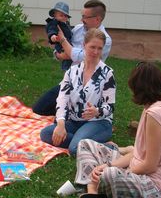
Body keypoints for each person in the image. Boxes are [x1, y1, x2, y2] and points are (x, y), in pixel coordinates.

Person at [75, 62, 161, 198]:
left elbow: (150, 165)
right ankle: (94, 187)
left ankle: (94, 185)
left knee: (110, 174)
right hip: (138, 168)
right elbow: (138, 154)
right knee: (85, 143)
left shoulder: (156, 114)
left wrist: (121, 171)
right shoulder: (150, 109)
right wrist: (107, 165)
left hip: (155, 186)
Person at [40, 28, 115, 157]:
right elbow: (62, 99)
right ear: (84, 45)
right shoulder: (72, 71)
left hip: (98, 122)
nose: (96, 52)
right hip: (75, 121)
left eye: (100, 48)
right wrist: (61, 123)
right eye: (92, 47)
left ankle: (109, 147)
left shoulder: (107, 73)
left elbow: (110, 107)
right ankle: (84, 139)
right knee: (46, 134)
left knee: (74, 149)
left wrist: (97, 111)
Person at [33, 0, 112, 116]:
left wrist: (63, 41)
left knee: (75, 116)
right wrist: (58, 54)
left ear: (97, 19)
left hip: (88, 88)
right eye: (82, 16)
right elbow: (60, 48)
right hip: (70, 80)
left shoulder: (105, 40)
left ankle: (71, 113)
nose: (81, 20)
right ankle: (67, 111)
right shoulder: (78, 29)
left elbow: (80, 57)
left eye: (85, 17)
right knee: (39, 108)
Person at [45, 1, 73, 71]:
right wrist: (53, 36)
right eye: (61, 15)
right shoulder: (53, 23)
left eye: (65, 16)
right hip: (61, 45)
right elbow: (51, 30)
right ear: (55, 15)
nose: (63, 17)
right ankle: (66, 70)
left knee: (71, 59)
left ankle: (70, 71)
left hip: (68, 43)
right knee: (67, 59)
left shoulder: (65, 24)